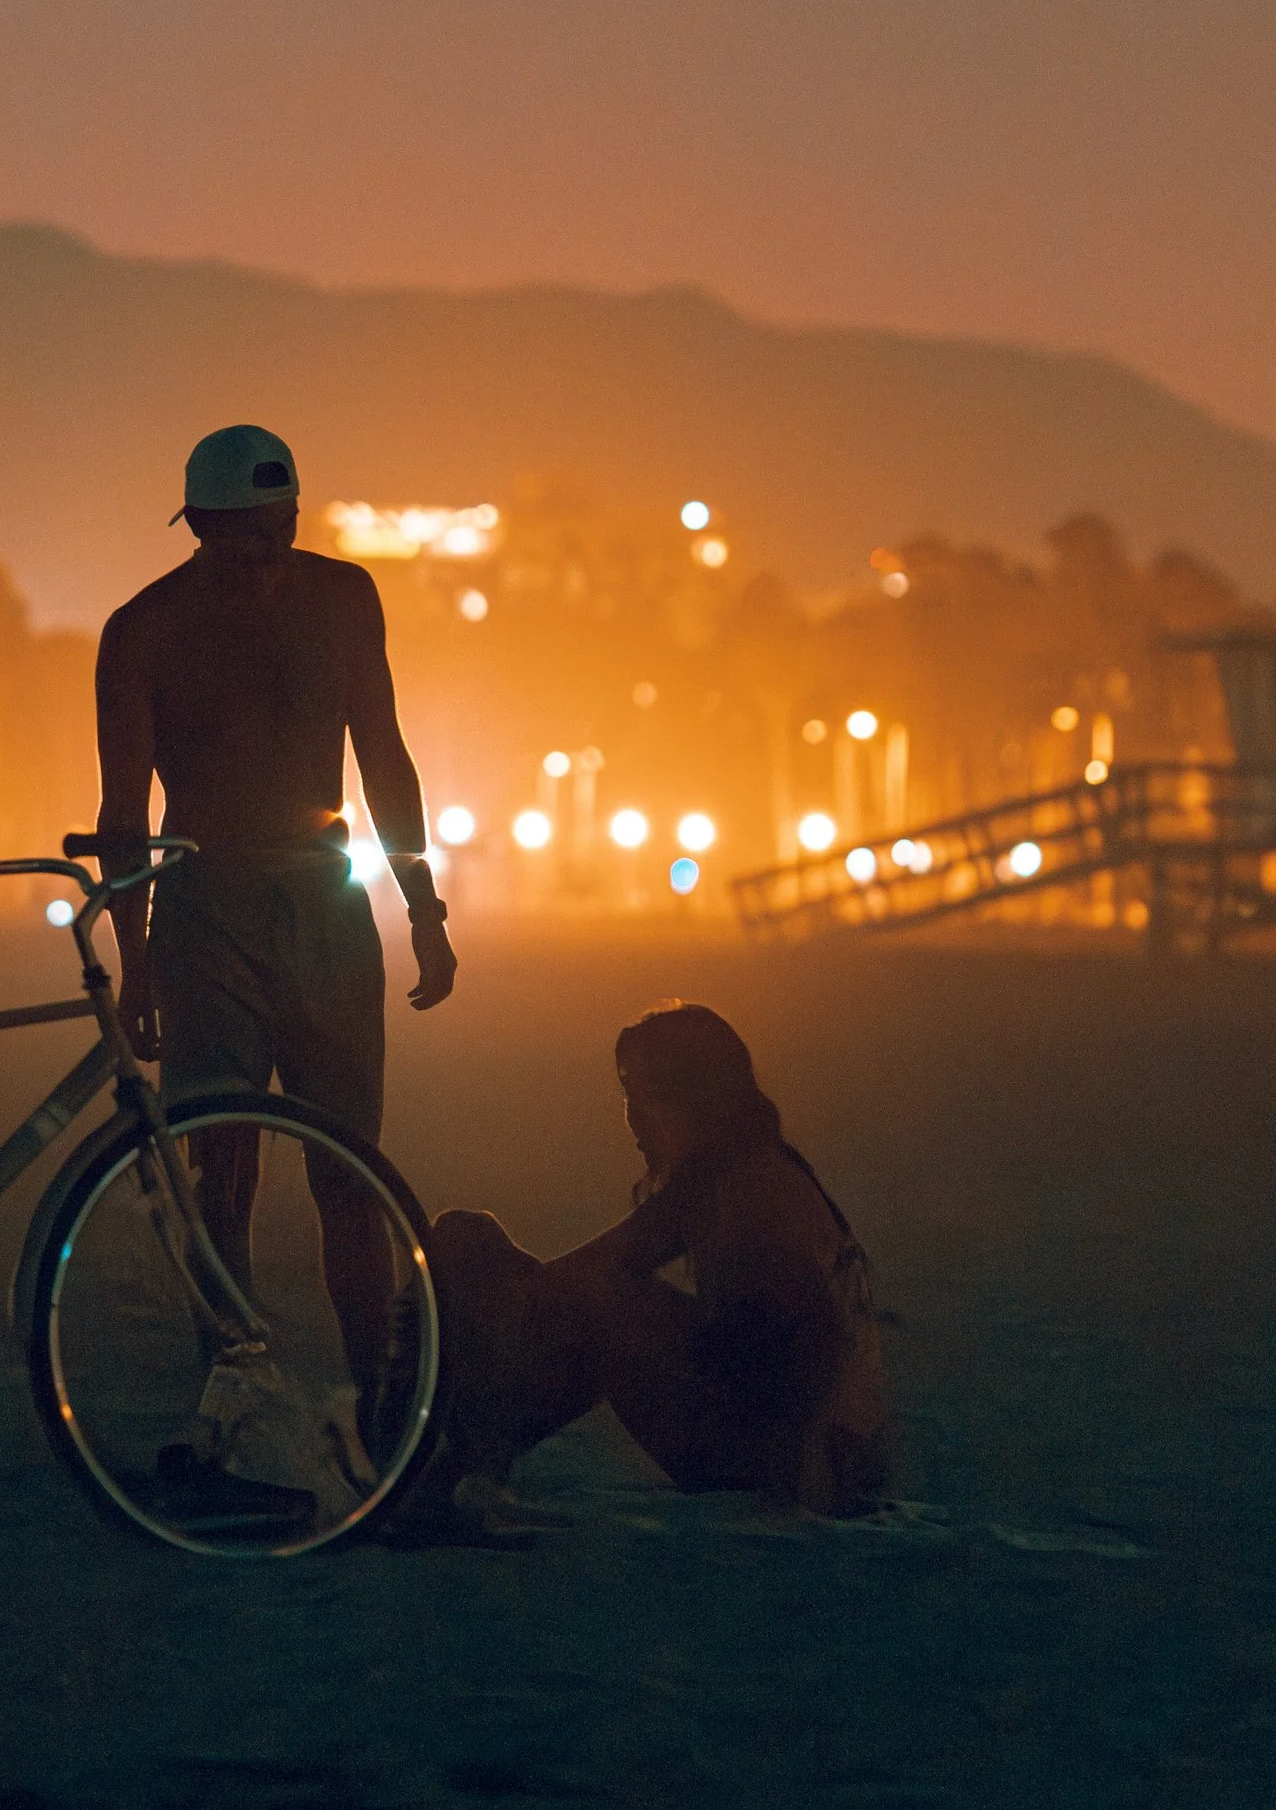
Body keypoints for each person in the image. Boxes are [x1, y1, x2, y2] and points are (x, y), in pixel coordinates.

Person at [94, 423, 456, 1431]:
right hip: (205, 915)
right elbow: (124, 820)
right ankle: (235, 1396)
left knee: (350, 1166)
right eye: (245, 540)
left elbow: (383, 753)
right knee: (224, 1166)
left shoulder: (343, 599)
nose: (265, 559)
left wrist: (421, 903)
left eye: (281, 531)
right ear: (200, 529)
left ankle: (382, 1403)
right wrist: (133, 968)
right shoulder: (144, 631)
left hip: (330, 911)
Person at [420, 1001, 890, 1526]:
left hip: (797, 1467)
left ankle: (441, 1473)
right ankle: (450, 1470)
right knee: (571, 1291)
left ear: (698, 1097)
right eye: (628, 1096)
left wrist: (469, 1280)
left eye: (645, 1094)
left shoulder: (738, 1182)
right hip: (816, 1461)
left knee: (594, 1299)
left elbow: (812, 1365)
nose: (633, 1117)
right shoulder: (750, 1168)